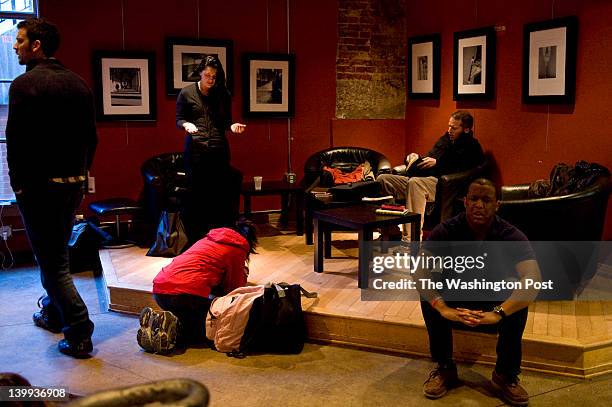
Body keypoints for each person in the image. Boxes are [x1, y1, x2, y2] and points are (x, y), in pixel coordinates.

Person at [7, 19, 97, 358]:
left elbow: (15, 144)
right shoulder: (78, 84)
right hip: (71, 184)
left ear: (37, 45)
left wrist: (19, 188)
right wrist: (80, 176)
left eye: (19, 40)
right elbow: (92, 140)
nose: (15, 46)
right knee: (55, 258)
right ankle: (53, 313)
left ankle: (79, 331)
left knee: (53, 264)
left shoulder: (24, 85)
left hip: (39, 189)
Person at [416, 179, 541, 406]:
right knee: (428, 296)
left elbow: (533, 280)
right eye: (474, 198)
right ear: (465, 202)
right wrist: (443, 307)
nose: (479, 205)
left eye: (486, 200)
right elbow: (419, 272)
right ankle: (444, 367)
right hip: (456, 299)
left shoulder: (510, 235)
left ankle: (505, 374)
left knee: (519, 300)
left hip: (493, 302)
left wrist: (498, 313)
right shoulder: (445, 231)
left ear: (497, 205)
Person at [137, 218, 258, 354]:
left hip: (160, 290)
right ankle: (173, 332)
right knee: (210, 328)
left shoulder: (207, 240)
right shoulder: (237, 248)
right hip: (185, 296)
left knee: (190, 313)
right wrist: (244, 273)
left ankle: (159, 322)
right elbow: (234, 290)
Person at [377, 110, 484, 239]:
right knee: (383, 179)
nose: (449, 130)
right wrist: (413, 159)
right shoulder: (445, 139)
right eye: (449, 126)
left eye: (454, 128)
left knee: (415, 183)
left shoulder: (472, 146)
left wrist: (438, 163)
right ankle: (391, 231)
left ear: (466, 129)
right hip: (426, 179)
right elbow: (429, 159)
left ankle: (411, 239)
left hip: (444, 185)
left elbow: (458, 170)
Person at [176, 55, 246, 244]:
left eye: (214, 76)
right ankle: (196, 241)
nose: (210, 80)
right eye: (207, 75)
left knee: (218, 195)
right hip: (196, 152)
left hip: (218, 150)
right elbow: (179, 119)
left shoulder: (222, 94)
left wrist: (232, 127)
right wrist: (186, 125)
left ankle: (218, 238)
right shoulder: (186, 93)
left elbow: (226, 122)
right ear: (200, 73)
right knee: (197, 195)